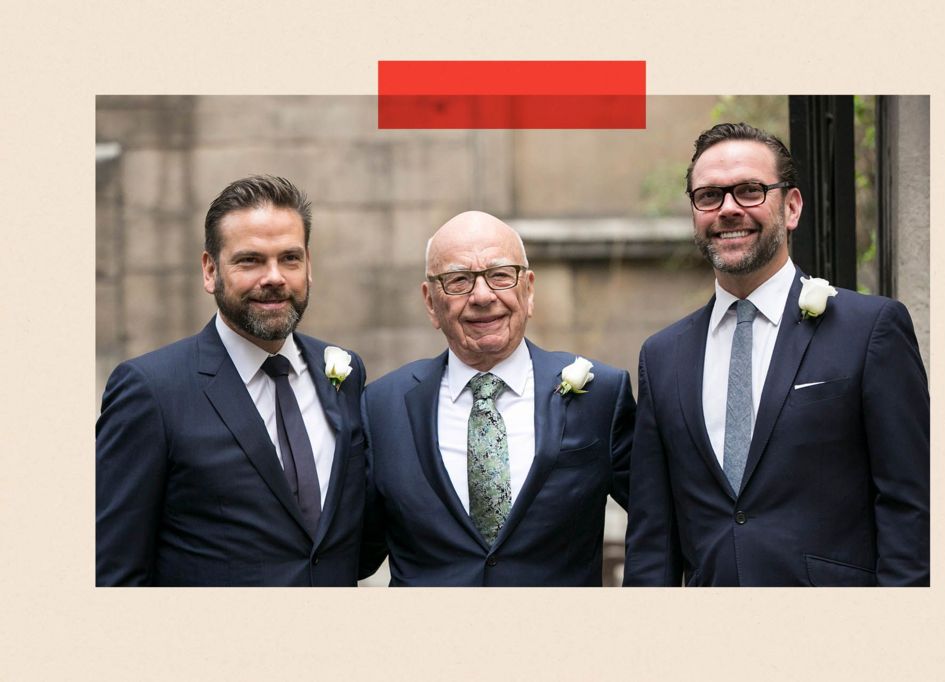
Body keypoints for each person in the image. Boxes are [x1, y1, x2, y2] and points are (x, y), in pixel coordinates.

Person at [624, 123, 929, 587]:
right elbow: (652, 542)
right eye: (709, 196)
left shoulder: (870, 330)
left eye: (749, 190)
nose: (728, 209)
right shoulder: (662, 356)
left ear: (791, 207)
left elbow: (911, 508)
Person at [96, 175, 367, 586]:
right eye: (250, 260)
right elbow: (114, 571)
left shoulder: (345, 373)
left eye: (289, 258)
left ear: (308, 266)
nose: (274, 277)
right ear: (210, 271)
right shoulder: (151, 392)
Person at [359, 211, 634, 586]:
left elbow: (658, 524)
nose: (483, 296)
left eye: (500, 275)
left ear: (529, 290)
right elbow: (353, 552)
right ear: (430, 302)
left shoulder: (601, 395)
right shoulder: (382, 407)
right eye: (458, 280)